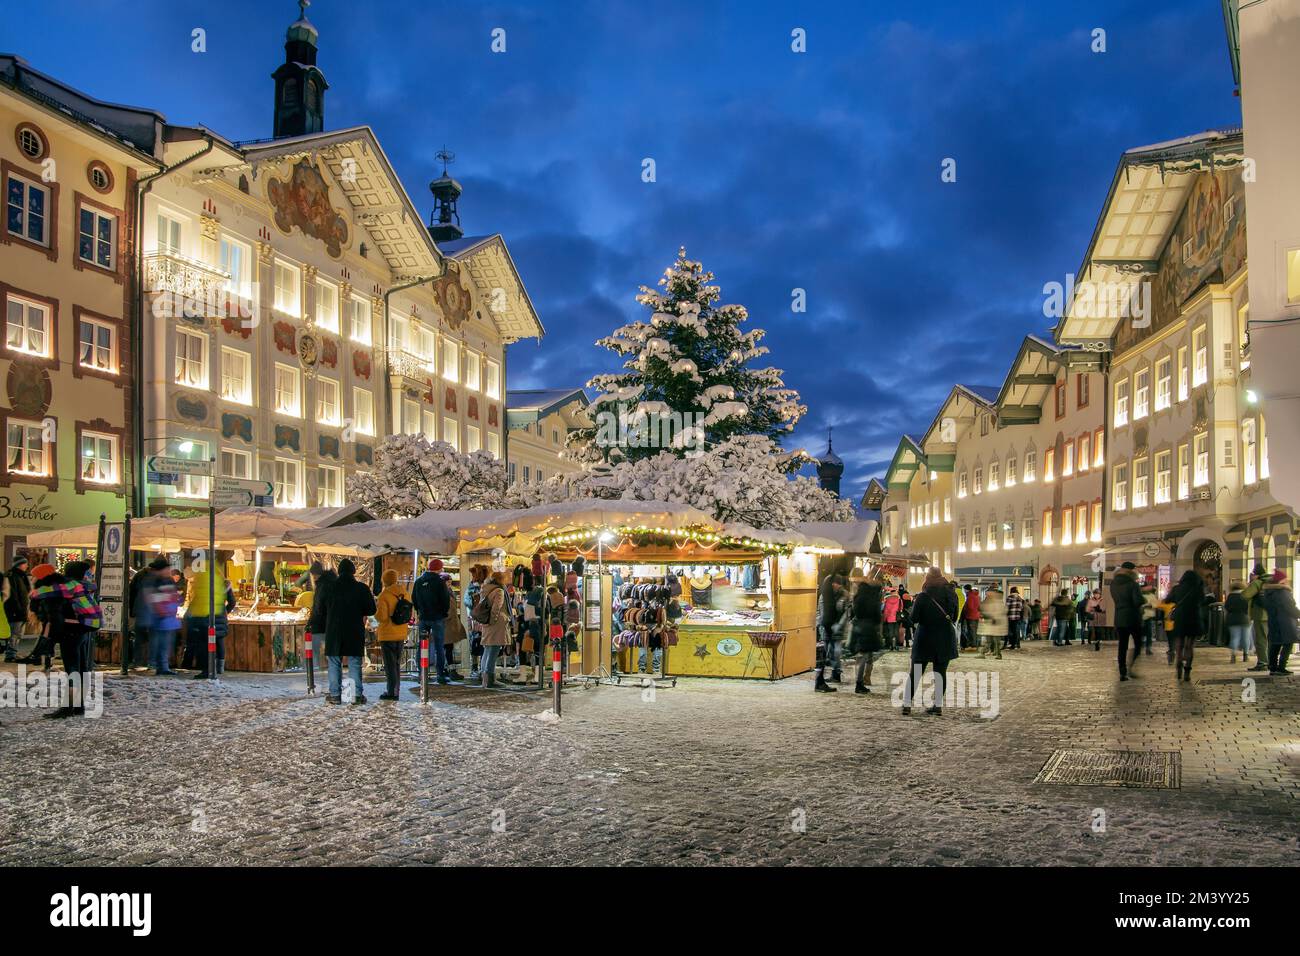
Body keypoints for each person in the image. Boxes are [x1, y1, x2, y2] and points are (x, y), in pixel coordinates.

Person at [30, 561, 101, 716]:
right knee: (81, 668)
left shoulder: (69, 586)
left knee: (72, 669)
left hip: (72, 631)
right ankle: (78, 705)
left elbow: (44, 596)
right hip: (84, 630)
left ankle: (68, 707)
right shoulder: (83, 585)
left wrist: (34, 594)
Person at [903, 568, 958, 715]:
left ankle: (907, 705)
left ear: (927, 578)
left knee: (915, 673)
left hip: (925, 637)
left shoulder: (923, 596)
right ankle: (937, 705)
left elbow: (914, 618)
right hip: (945, 636)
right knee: (940, 673)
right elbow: (955, 616)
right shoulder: (951, 593)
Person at [323, 558, 376, 704]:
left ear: (339, 572)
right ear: (353, 572)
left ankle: (335, 695)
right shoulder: (362, 588)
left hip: (334, 630)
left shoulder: (329, 588)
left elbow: (320, 609)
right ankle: (355, 695)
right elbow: (372, 609)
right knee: (354, 662)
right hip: (354, 630)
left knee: (334, 661)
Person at [185, 556, 236, 679]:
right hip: (219, 616)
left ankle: (207, 669)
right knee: (217, 642)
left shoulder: (203, 579)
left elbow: (197, 600)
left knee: (205, 644)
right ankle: (219, 668)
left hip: (205, 616)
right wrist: (224, 612)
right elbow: (232, 602)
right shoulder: (222, 582)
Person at [411, 558, 452, 684]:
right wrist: (443, 613)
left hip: (424, 617)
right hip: (437, 618)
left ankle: (422, 673)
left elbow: (414, 598)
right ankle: (440, 674)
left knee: (422, 645)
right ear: (439, 568)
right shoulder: (439, 582)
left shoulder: (418, 581)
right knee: (439, 646)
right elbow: (445, 600)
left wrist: (420, 611)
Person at [374, 569, 411, 700]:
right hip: (401, 633)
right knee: (396, 664)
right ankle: (396, 690)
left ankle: (391, 692)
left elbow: (382, 617)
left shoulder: (384, 595)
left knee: (389, 665)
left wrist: (376, 612)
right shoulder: (404, 593)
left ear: (384, 580)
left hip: (387, 634)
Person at [142, 558, 181, 674]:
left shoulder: (166, 580)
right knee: (161, 643)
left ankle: (162, 666)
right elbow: (154, 599)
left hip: (167, 617)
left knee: (164, 643)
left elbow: (172, 596)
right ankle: (160, 666)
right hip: (161, 618)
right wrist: (163, 611)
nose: (169, 570)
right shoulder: (156, 581)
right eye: (167, 568)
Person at [849, 572, 884, 693]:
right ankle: (860, 682)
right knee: (864, 656)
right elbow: (876, 614)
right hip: (868, 628)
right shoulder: (871, 597)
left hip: (857, 625)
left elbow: (853, 611)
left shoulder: (858, 595)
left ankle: (860, 681)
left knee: (861, 656)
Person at [1110, 561, 1145, 680]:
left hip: (1119, 617)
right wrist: (1143, 599)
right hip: (1133, 617)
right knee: (1138, 644)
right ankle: (1131, 667)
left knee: (1122, 645)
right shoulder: (1132, 584)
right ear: (1131, 571)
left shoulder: (1114, 583)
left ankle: (1122, 672)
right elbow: (1137, 601)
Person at [1169, 569, 1204, 681]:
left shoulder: (1177, 589)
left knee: (1179, 645)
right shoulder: (1198, 589)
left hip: (1180, 618)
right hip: (1194, 618)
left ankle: (1179, 663)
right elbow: (1202, 601)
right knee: (1190, 646)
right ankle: (1187, 671)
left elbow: (1167, 600)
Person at [815, 573, 847, 692]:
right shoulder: (825, 596)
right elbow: (820, 611)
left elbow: (845, 613)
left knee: (834, 653)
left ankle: (828, 677)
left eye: (837, 583)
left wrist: (838, 626)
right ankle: (820, 682)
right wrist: (819, 623)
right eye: (834, 583)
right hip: (826, 628)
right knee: (824, 654)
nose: (835, 585)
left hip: (834, 629)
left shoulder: (842, 595)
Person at [1261, 570, 1297, 676]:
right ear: (1281, 580)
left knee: (1275, 644)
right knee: (1288, 643)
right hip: (1285, 622)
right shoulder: (1283, 592)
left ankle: (1273, 667)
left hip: (1274, 621)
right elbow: (1290, 607)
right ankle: (1281, 667)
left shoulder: (1268, 593)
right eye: (1285, 578)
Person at [478, 570, 509, 688]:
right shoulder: (499, 591)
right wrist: (493, 621)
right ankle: (490, 679)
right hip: (495, 623)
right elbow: (497, 607)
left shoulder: (486, 589)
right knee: (494, 650)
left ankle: (484, 679)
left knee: (487, 649)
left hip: (486, 622)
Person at [1241, 564, 1270, 672]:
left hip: (1261, 615)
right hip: (1273, 614)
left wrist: (1251, 582)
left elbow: (1245, 595)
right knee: (1270, 640)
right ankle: (1271, 661)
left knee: (1261, 640)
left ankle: (1262, 663)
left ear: (1256, 574)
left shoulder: (1257, 583)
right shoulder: (1271, 581)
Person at [4, 555, 32, 661]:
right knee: (15, 633)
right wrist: (18, 610)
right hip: (15, 610)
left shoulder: (21, 576)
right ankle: (10, 655)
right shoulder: (12, 576)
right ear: (20, 564)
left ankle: (13, 653)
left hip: (21, 609)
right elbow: (13, 596)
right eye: (25, 563)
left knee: (18, 633)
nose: (27, 566)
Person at [1224, 581, 1252, 665]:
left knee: (1234, 638)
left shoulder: (1230, 596)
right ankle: (1245, 655)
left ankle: (1233, 656)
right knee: (1246, 638)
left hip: (1232, 619)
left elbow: (1226, 607)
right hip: (1245, 619)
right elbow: (1248, 607)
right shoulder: (1245, 596)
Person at [978, 584, 1006, 660]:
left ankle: (989, 653)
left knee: (992, 640)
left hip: (993, 622)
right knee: (991, 640)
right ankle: (988, 653)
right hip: (992, 622)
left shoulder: (995, 601)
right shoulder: (992, 600)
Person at [959, 584, 980, 649]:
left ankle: (973, 645)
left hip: (970, 616)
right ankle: (975, 644)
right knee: (975, 631)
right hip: (976, 615)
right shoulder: (977, 595)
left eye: (964, 589)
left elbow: (970, 607)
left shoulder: (970, 596)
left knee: (971, 631)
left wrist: (965, 611)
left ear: (966, 589)